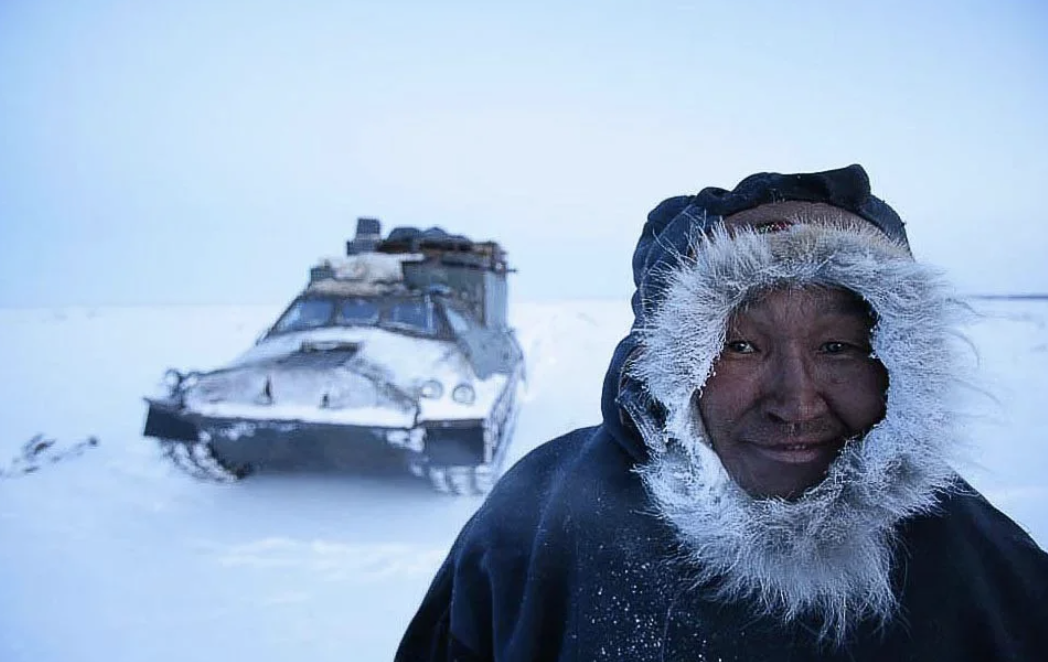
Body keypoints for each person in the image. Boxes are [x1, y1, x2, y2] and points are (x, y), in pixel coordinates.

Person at [395, 165, 1048, 661]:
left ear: (901, 364)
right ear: (665, 366)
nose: (795, 403)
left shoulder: (994, 577)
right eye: (739, 345)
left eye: (838, 346)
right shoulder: (531, 528)